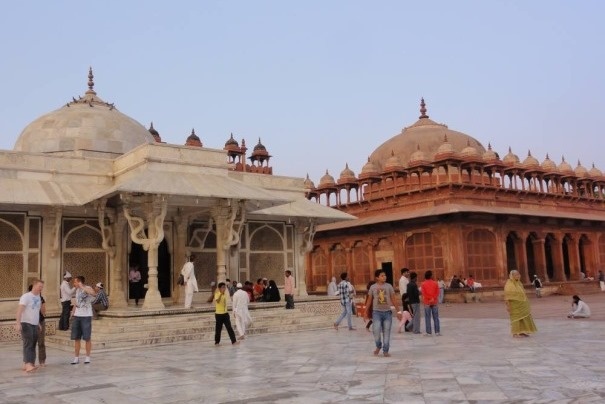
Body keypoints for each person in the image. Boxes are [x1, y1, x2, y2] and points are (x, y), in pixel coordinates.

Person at [364, 269, 402, 357]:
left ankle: (385, 350)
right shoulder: (373, 287)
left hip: (387, 313)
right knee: (376, 330)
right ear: (377, 277)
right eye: (382, 275)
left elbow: (393, 299)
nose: (384, 277)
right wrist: (365, 312)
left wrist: (399, 311)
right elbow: (369, 301)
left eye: (385, 275)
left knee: (387, 332)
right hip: (376, 313)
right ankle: (378, 345)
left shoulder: (389, 286)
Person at [15, 279, 44, 373]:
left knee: (33, 344)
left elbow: (36, 311)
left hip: (35, 324)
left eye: (42, 287)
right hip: (26, 323)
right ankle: (28, 365)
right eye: (40, 286)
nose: (41, 288)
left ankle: (27, 363)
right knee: (28, 343)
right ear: (34, 285)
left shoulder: (39, 297)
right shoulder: (26, 296)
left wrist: (38, 323)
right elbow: (19, 310)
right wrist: (18, 323)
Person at [70, 275, 97, 364]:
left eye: (75, 282)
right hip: (77, 316)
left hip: (86, 316)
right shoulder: (77, 290)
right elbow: (76, 302)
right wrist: (73, 312)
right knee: (76, 338)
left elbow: (93, 293)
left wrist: (82, 286)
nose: (74, 283)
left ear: (80, 282)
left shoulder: (87, 288)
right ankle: (76, 357)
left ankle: (87, 357)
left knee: (87, 337)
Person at [504, 270, 537, 338]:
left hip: (522, 304)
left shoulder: (519, 283)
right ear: (512, 276)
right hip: (514, 305)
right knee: (516, 319)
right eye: (516, 275)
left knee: (524, 318)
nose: (518, 276)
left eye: (518, 274)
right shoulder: (509, 284)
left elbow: (522, 293)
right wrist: (508, 305)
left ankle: (522, 331)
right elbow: (507, 295)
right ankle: (515, 333)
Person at [28, 283, 47, 367]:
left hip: (40, 321)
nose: (40, 290)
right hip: (30, 323)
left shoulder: (41, 298)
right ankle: (30, 362)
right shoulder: (27, 298)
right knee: (31, 343)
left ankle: (42, 361)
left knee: (41, 342)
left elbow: (43, 310)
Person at [421, 270, 441, 336]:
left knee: (427, 317)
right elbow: (438, 292)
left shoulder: (423, 284)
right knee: (436, 317)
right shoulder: (435, 283)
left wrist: (429, 298)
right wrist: (433, 298)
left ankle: (429, 332)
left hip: (427, 302)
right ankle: (437, 331)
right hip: (434, 302)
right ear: (431, 276)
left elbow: (424, 293)